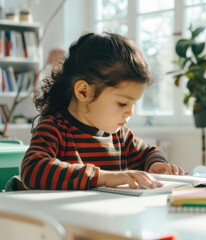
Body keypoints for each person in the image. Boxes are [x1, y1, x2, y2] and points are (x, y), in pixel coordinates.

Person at [21, 32, 185, 190]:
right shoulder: (54, 129)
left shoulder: (121, 136)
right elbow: (32, 170)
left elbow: (150, 152)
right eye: (122, 103)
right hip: (65, 217)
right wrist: (103, 177)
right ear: (84, 92)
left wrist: (156, 164)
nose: (130, 112)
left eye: (133, 103)